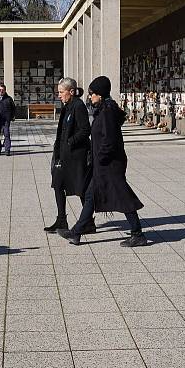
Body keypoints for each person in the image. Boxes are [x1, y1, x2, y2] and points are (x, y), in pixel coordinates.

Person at [58, 76, 147, 247]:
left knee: (123, 196)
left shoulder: (107, 112)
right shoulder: (103, 109)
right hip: (102, 164)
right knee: (91, 195)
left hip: (110, 165)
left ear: (100, 94)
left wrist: (100, 158)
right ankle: (76, 233)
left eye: (92, 94)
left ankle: (138, 234)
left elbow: (109, 141)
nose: (90, 96)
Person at [44, 78, 95, 235]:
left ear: (71, 92)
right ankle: (61, 220)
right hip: (63, 155)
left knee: (81, 189)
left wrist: (70, 142)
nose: (59, 95)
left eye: (61, 92)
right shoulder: (67, 105)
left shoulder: (78, 106)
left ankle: (88, 223)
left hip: (76, 156)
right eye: (58, 92)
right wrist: (59, 148)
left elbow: (85, 130)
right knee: (58, 184)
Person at [0, 84, 15, 156]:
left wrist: (11, 116)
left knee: (7, 134)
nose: (1, 91)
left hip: (6, 120)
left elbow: (13, 108)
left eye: (2, 90)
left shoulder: (9, 99)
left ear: (5, 90)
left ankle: (7, 150)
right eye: (0, 90)